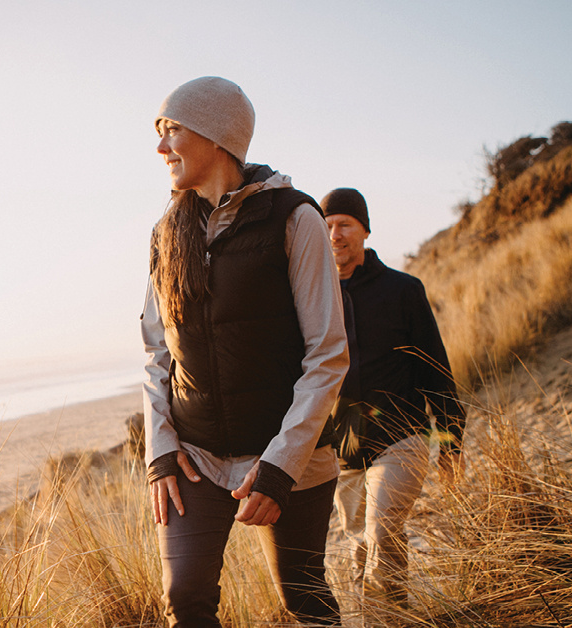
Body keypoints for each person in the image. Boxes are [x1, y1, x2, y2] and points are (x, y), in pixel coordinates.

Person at [141, 76, 348, 627]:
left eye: (172, 131)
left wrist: (280, 466)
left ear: (216, 136)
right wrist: (160, 450)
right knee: (185, 597)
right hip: (197, 456)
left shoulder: (295, 218)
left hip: (288, 457)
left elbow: (327, 353)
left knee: (303, 596)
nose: (160, 148)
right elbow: (156, 352)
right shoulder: (167, 232)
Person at [320, 187, 466, 618]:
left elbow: (434, 369)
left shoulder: (402, 290)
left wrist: (451, 441)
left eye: (344, 224)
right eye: (326, 226)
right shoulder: (314, 300)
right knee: (362, 545)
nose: (335, 234)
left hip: (402, 438)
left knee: (381, 532)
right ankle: (392, 617)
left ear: (365, 229)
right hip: (344, 450)